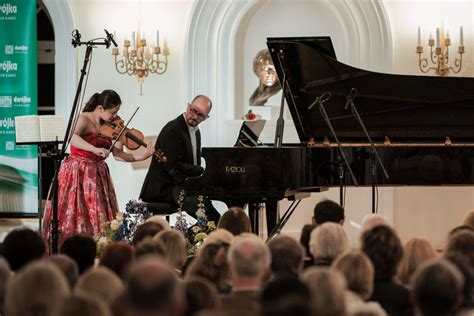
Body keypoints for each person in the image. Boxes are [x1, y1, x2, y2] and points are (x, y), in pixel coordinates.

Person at [42, 90, 154, 250]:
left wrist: (141, 157)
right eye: (112, 112)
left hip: (98, 174)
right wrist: (93, 149)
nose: (115, 116)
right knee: (77, 212)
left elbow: (119, 154)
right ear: (100, 108)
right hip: (78, 171)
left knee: (99, 215)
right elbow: (71, 136)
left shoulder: (113, 127)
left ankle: (99, 249)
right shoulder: (84, 118)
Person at [140, 95, 220, 222]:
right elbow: (173, 168)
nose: (194, 116)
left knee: (210, 215)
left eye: (200, 115)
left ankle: (188, 238)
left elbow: (192, 163)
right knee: (210, 217)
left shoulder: (196, 131)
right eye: (193, 110)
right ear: (188, 106)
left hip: (180, 185)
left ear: (206, 118)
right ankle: (186, 239)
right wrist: (199, 171)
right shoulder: (173, 130)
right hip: (164, 188)